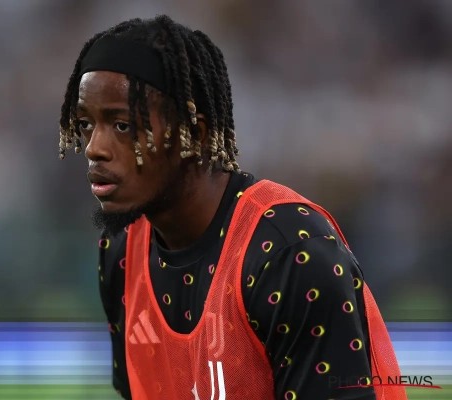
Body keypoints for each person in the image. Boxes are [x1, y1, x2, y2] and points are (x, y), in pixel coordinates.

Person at [58, 15, 406, 400]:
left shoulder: (291, 254)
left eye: (122, 125)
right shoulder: (121, 252)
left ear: (195, 135)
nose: (94, 148)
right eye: (85, 125)